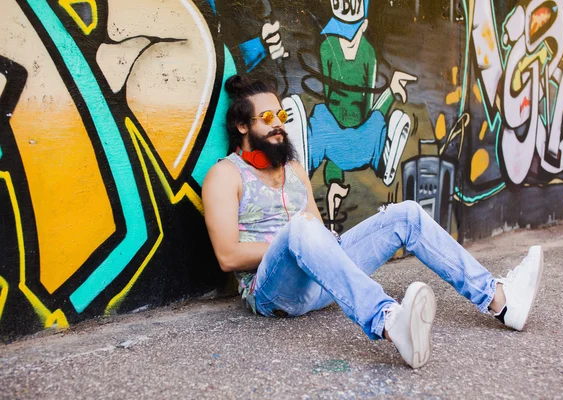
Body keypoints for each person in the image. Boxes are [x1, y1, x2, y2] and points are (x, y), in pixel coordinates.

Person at [202, 74, 544, 369]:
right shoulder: (225, 174)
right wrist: (293, 243)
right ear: (243, 126)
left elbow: (316, 231)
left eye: (279, 114)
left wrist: (321, 244)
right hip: (273, 295)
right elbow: (227, 256)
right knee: (301, 229)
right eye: (265, 118)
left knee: (405, 214)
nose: (278, 123)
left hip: (320, 281)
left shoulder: (293, 170)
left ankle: (500, 300)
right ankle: (390, 322)